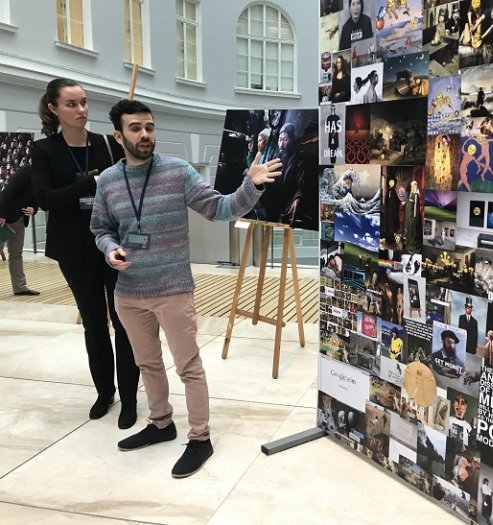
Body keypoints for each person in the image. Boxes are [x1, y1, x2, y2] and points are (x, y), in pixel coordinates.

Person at [90, 99, 282, 477]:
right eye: (135, 128)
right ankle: (161, 422)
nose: (145, 134)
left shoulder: (177, 171)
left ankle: (200, 437)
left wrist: (251, 185)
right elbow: (100, 228)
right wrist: (110, 249)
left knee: (188, 366)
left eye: (149, 127)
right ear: (118, 136)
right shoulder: (109, 181)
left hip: (173, 289)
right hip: (129, 293)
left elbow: (221, 208)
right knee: (147, 363)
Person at [31, 78, 140, 428]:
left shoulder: (107, 144)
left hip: (112, 243)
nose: (81, 110)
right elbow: (44, 199)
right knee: (94, 322)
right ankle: (105, 392)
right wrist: (89, 182)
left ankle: (129, 397)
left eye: (84, 102)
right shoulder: (44, 150)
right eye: (72, 104)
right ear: (54, 109)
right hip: (73, 248)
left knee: (125, 321)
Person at [0, 165, 39, 296]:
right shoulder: (28, 171)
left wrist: (34, 209)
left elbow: (39, 196)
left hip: (19, 219)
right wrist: (2, 214)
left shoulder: (45, 175)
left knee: (16, 254)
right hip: (4, 217)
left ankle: (20, 287)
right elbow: (9, 190)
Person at [265, 122, 304, 225]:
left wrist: (297, 199)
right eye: (280, 139)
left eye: (285, 139)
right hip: (273, 199)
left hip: (287, 201)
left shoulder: (298, 161)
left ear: (292, 140)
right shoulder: (275, 157)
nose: (281, 144)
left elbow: (301, 186)